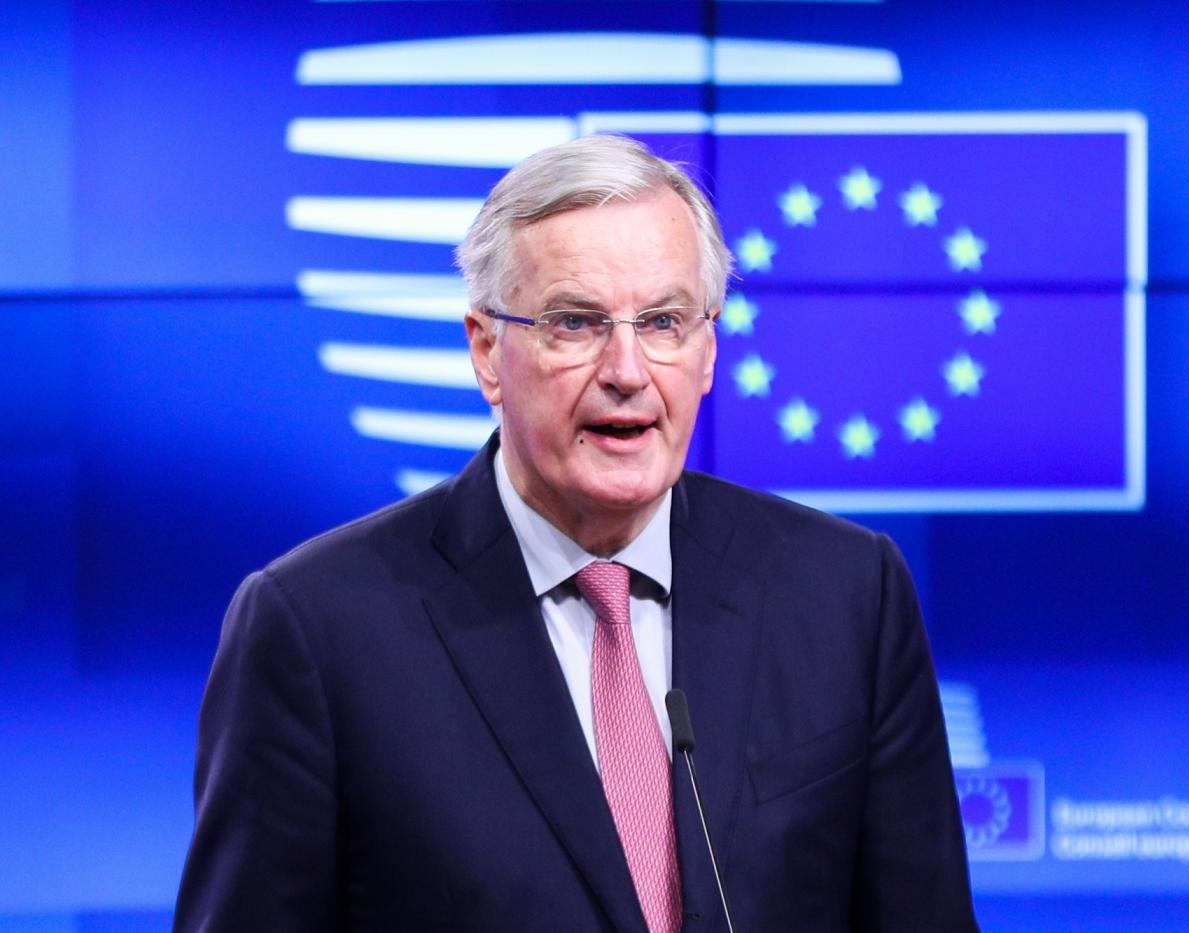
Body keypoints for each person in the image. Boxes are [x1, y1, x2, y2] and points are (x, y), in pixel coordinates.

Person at [174, 134, 977, 932]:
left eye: (663, 321)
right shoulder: (318, 628)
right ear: (487, 351)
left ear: (707, 349)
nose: (627, 370)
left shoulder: (843, 593)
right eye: (576, 323)